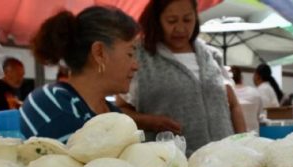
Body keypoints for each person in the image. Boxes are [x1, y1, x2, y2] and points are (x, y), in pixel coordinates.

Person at [116, 0, 246, 155]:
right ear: (156, 21)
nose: (180, 28)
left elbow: (234, 106)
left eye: (187, 19)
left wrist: (243, 144)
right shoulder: (140, 58)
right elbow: (120, 110)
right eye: (171, 21)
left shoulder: (211, 56)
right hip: (172, 166)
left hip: (225, 160)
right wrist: (150, 122)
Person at [19, 6, 139, 142]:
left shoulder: (114, 114)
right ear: (99, 53)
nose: (136, 66)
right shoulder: (51, 103)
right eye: (130, 53)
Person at [230, 65, 262, 132]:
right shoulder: (255, 92)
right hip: (254, 135)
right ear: (241, 77)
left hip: (233, 137)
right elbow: (259, 115)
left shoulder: (227, 94)